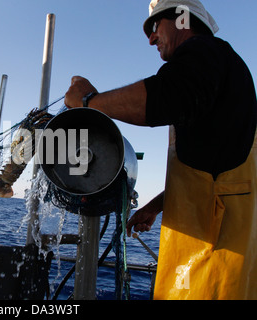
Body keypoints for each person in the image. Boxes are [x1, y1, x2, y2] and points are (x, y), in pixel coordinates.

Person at [65, 0, 257, 300]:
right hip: (213, 256)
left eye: (154, 27)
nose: (151, 38)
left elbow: (165, 97)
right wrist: (155, 207)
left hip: (210, 265)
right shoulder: (219, 75)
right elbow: (216, 170)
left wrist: (89, 101)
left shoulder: (206, 53)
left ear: (182, 18)